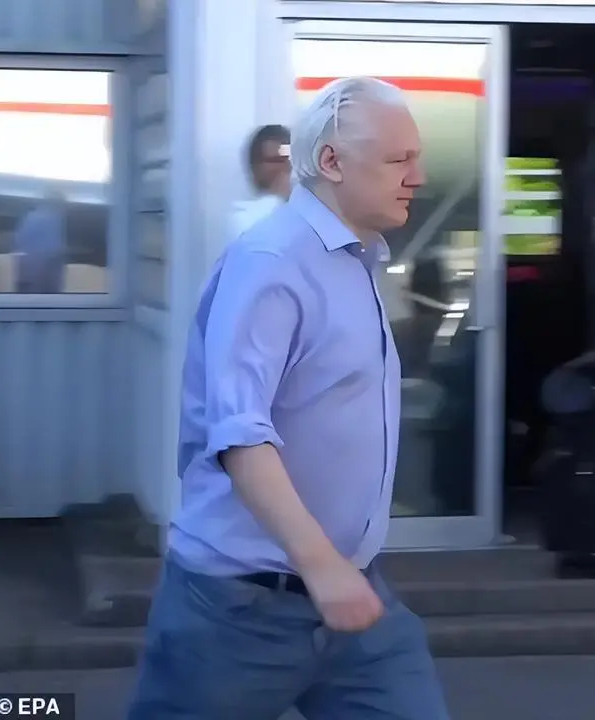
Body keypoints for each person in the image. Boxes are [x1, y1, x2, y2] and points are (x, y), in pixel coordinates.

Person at [128, 76, 449, 720]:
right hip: (238, 610)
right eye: (399, 159)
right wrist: (322, 567)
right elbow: (239, 434)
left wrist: (337, 572)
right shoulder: (272, 261)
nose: (417, 176)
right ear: (331, 160)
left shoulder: (356, 259)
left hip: (354, 600)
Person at [230, 123, 292, 237]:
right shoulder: (244, 219)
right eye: (274, 160)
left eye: (287, 159)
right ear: (256, 166)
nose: (284, 167)